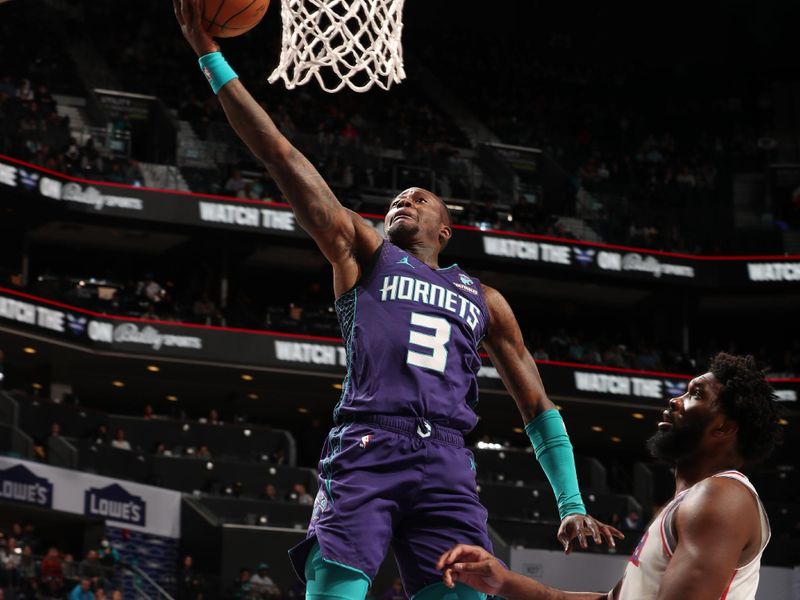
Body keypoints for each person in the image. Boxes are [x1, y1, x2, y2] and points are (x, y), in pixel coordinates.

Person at [173, 3, 618, 598]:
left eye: (419, 197)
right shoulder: (364, 253)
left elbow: (536, 405)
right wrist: (210, 55)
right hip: (367, 447)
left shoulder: (486, 299)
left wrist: (570, 502)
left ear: (447, 227)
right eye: (396, 199)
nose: (402, 201)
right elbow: (281, 155)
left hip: (450, 465)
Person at [437, 353, 781, 600]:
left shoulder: (720, 497)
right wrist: (504, 582)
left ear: (724, 427)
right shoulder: (690, 502)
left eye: (695, 394)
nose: (675, 400)